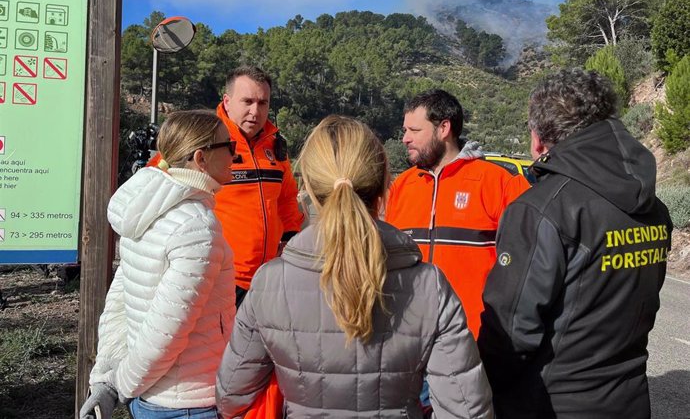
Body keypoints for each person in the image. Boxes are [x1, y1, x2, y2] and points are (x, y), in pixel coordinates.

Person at [215, 115, 495, 419]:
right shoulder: (429, 284)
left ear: (308, 185)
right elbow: (467, 410)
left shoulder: (270, 283)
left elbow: (230, 395)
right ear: (381, 184)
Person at [478, 69, 673, 419]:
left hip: (551, 404)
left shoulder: (541, 208)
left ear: (539, 138)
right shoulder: (654, 206)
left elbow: (509, 335)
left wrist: (481, 394)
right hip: (630, 398)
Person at [80, 110, 236, 419]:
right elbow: (166, 334)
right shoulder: (197, 226)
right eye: (228, 146)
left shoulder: (146, 209)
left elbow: (119, 304)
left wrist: (108, 379)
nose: (236, 153)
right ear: (201, 158)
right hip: (189, 403)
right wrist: (119, 384)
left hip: (154, 396)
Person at [149, 65, 303, 307]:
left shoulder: (274, 144)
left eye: (263, 103)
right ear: (227, 102)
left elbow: (286, 197)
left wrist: (291, 236)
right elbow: (154, 184)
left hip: (267, 279)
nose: (255, 111)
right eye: (248, 101)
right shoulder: (202, 138)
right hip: (217, 279)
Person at [385, 89, 530, 337]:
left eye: (415, 131)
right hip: (409, 341)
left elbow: (530, 262)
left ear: (444, 129)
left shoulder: (499, 183)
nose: (405, 139)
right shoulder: (402, 186)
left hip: (476, 340)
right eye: (405, 130)